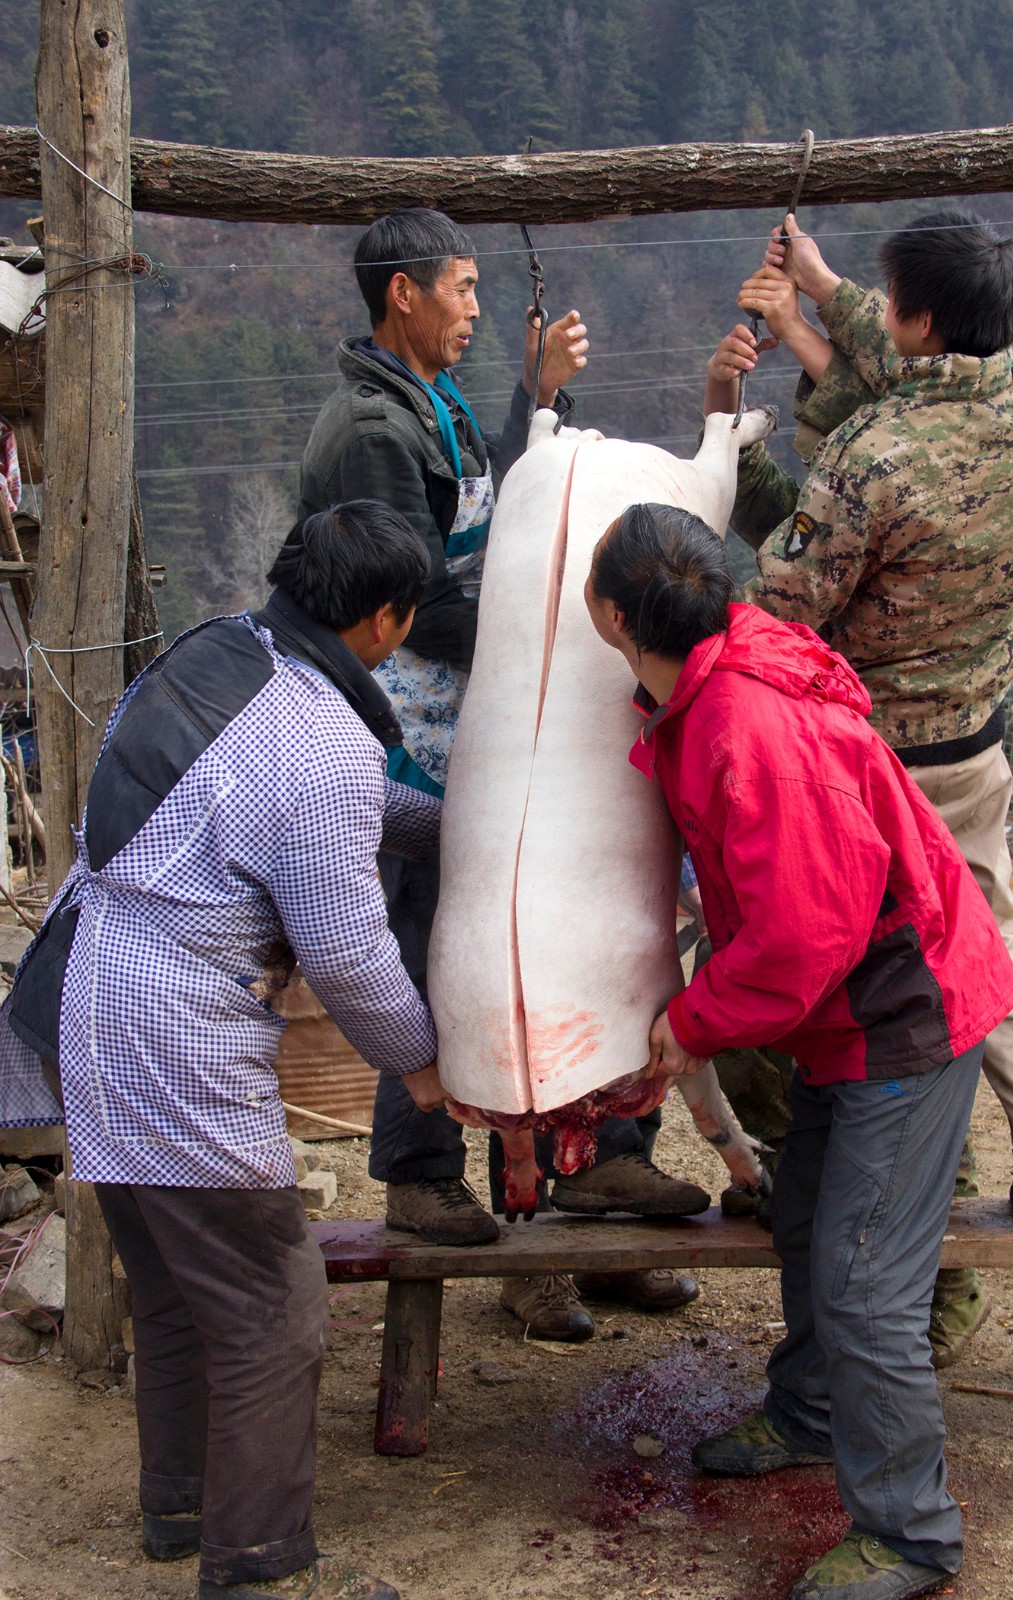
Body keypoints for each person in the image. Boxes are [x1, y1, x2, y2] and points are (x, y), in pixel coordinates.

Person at [0, 502, 449, 1600]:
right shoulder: (322, 742)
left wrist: (445, 821)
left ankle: (182, 1506)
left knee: (174, 1286)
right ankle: (260, 1569)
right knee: (269, 1302)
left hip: (88, 989)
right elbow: (349, 957)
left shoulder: (216, 651)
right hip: (171, 1028)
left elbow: (274, 799)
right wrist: (425, 1060)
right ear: (386, 621)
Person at [585, 503, 1013, 1600]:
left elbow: (799, 937)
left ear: (611, 613)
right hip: (850, 1007)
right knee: (806, 1218)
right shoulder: (706, 682)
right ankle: (811, 1412)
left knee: (868, 1279)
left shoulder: (745, 725)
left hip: (899, 1010)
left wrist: (686, 1024)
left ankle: (910, 1532)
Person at [300, 207, 704, 1334]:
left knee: (573, 942)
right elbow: (409, 598)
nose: (474, 309)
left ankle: (604, 1176)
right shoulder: (368, 430)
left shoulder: (429, 402)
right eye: (462, 289)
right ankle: (432, 1180)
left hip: (486, 723)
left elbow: (501, 510)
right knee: (454, 961)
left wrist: (536, 397)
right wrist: (554, 625)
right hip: (418, 733)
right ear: (403, 297)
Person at [704, 209, 1013, 1363]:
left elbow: (786, 597)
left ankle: (912, 1262)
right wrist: (818, 293)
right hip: (976, 741)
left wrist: (738, 431)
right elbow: (910, 372)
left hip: (878, 769)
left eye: (880, 297)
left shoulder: (875, 457)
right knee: (998, 940)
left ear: (915, 318)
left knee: (894, 1000)